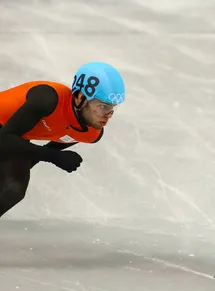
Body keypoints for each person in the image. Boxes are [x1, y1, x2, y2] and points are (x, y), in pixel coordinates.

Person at [0, 62, 126, 217]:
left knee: (13, 188)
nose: (109, 114)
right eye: (103, 106)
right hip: (6, 134)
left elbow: (37, 152)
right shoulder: (47, 100)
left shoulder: (90, 133)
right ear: (80, 98)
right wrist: (53, 157)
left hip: (12, 135)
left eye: (113, 107)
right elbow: (4, 141)